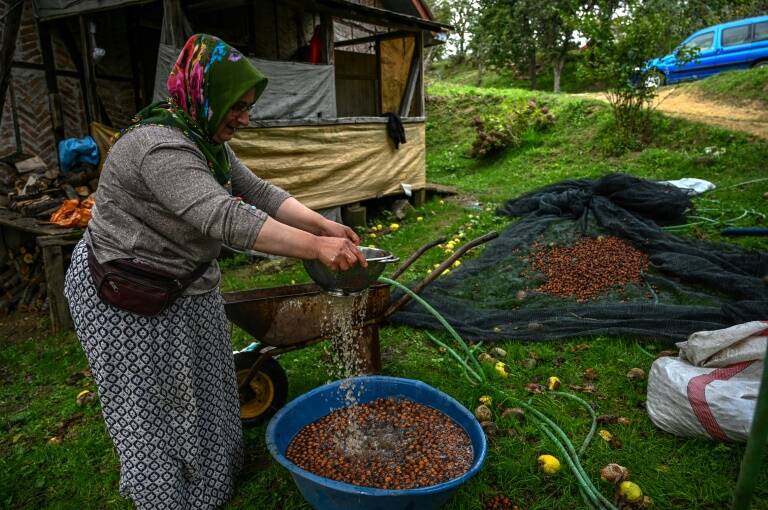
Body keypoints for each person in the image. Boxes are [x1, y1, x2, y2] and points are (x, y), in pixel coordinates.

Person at [64, 34, 366, 509]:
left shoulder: (203, 138)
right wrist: (316, 248)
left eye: (248, 106)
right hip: (127, 292)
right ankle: (164, 496)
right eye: (238, 105)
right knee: (150, 409)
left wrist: (325, 224)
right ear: (205, 94)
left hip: (187, 282)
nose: (245, 117)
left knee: (211, 384)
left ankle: (214, 480)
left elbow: (258, 193)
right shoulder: (158, 146)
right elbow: (223, 216)